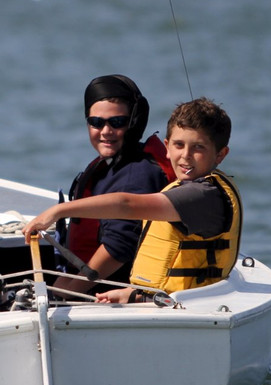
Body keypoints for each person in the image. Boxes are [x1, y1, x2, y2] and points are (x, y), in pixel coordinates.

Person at [24, 97, 241, 302]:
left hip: (187, 313)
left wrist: (58, 211)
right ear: (166, 146)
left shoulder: (202, 196)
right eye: (179, 145)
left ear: (221, 155)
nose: (185, 155)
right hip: (160, 302)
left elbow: (127, 205)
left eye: (198, 147)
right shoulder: (182, 189)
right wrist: (131, 293)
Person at [51, 75, 171, 298]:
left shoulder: (138, 174)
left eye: (117, 122)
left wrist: (65, 295)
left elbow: (119, 246)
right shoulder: (108, 166)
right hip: (88, 286)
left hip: (109, 300)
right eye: (96, 122)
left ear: (134, 122)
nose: (105, 131)